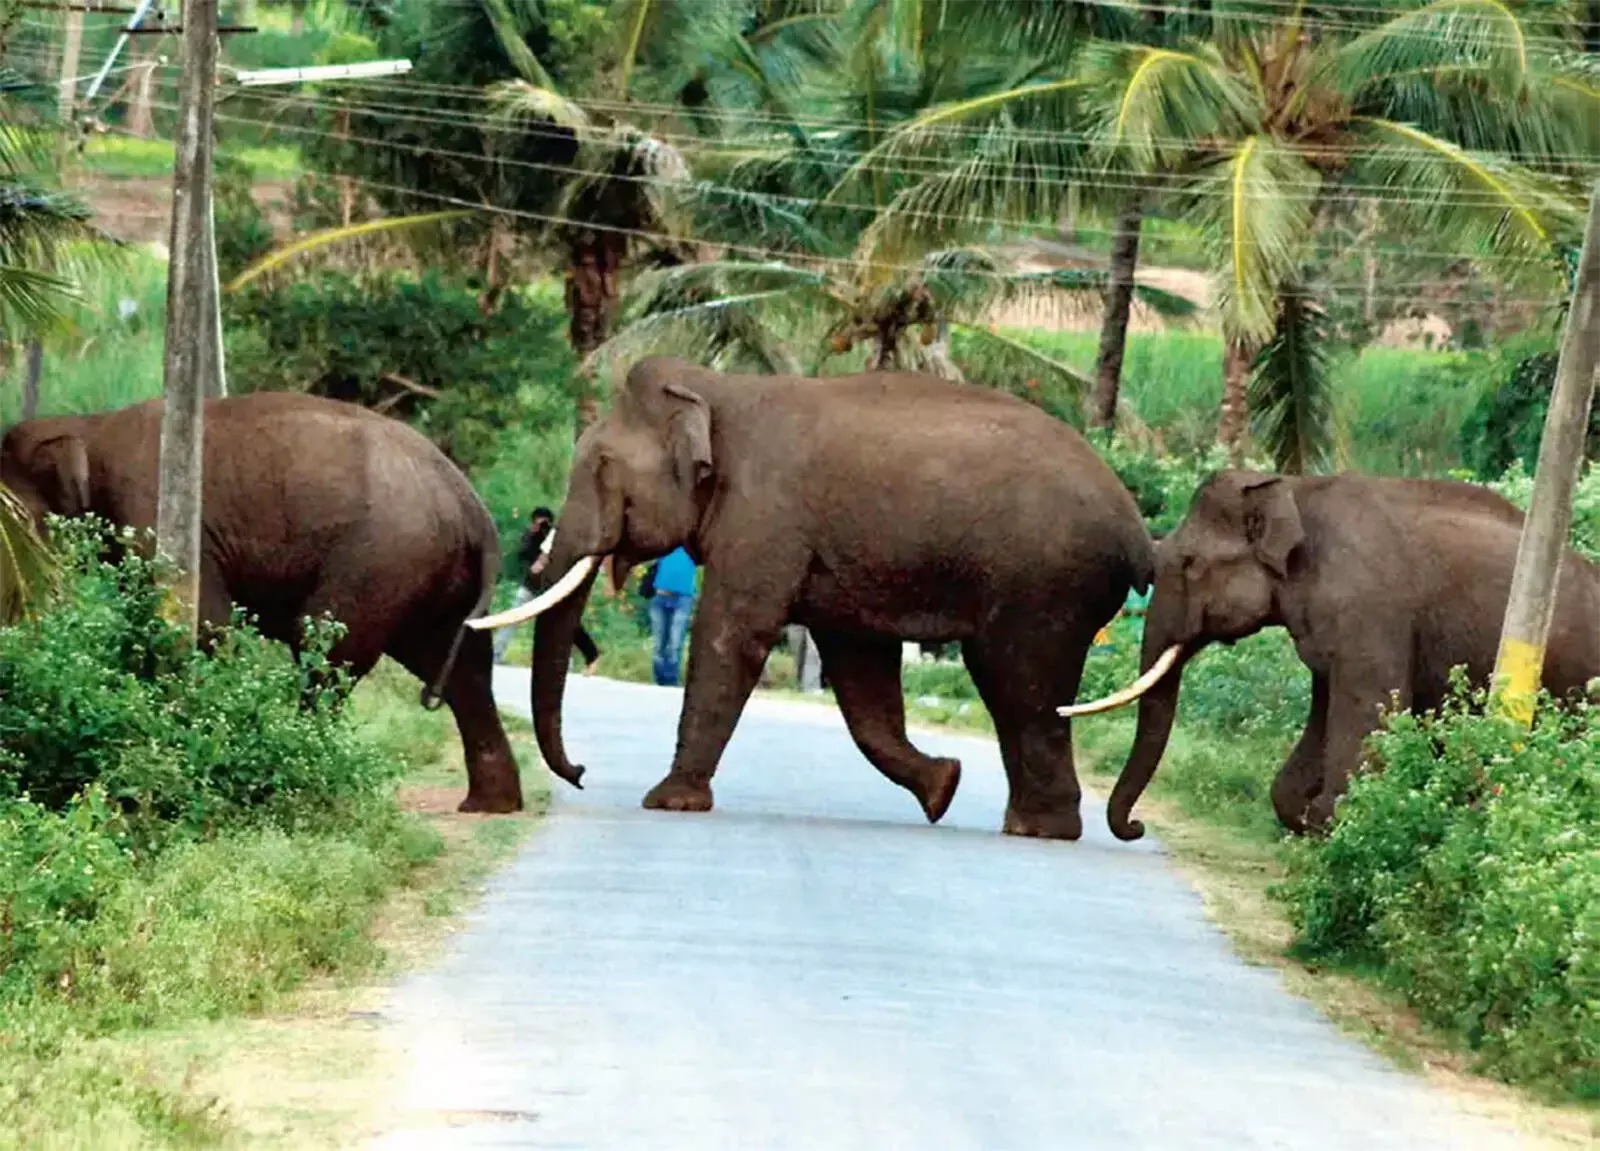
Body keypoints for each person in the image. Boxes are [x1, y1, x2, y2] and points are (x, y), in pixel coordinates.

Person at [494, 506, 603, 673]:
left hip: (552, 588)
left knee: (560, 624)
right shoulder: (533, 535)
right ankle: (496, 653)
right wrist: (534, 536)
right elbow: (524, 555)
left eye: (544, 523)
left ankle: (567, 662)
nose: (541, 525)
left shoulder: (561, 536)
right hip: (532, 586)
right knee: (514, 616)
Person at [647, 545, 698, 687]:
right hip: (660, 596)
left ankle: (671, 680)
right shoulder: (665, 543)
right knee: (659, 643)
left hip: (683, 599)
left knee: (675, 643)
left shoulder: (693, 547)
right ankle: (659, 680)